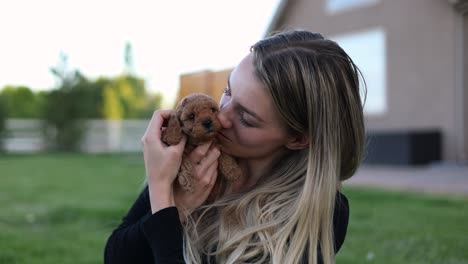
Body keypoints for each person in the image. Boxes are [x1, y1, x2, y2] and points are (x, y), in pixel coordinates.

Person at [104, 29, 365, 264]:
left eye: (246, 118)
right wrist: (177, 205)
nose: (221, 117)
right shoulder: (192, 162)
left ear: (298, 139)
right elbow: (116, 257)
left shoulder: (317, 212)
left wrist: (162, 198)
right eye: (228, 91)